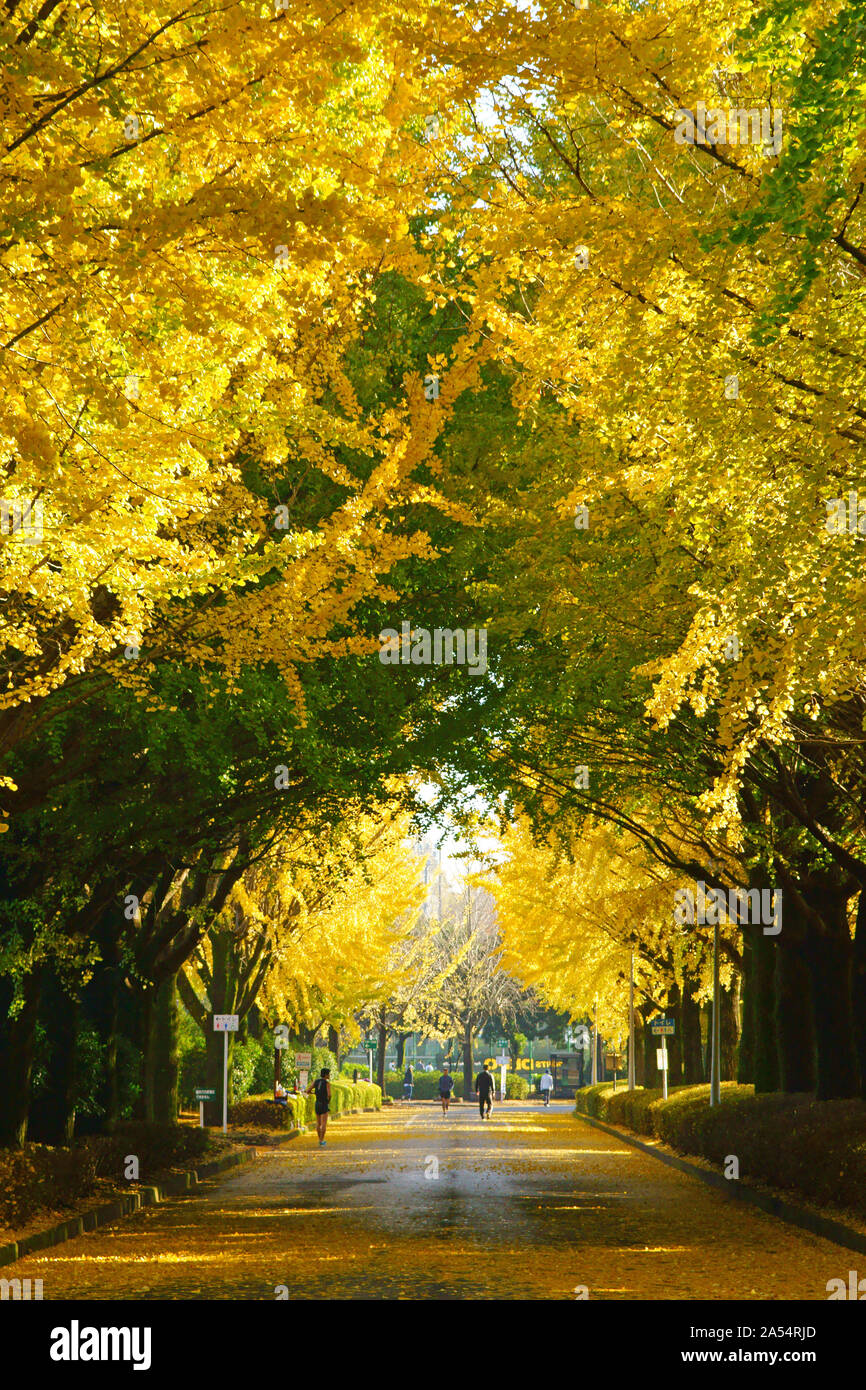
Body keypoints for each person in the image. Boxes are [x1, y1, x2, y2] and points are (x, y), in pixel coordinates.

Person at [306, 1067, 331, 1146]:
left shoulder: (316, 1081)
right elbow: (329, 1094)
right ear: (326, 1075)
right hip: (324, 1104)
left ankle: (319, 1139)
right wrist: (328, 1100)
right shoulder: (327, 1083)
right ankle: (321, 1140)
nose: (329, 1075)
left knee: (318, 1123)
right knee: (324, 1124)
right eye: (328, 1074)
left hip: (317, 1103)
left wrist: (314, 1093)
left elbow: (308, 1090)